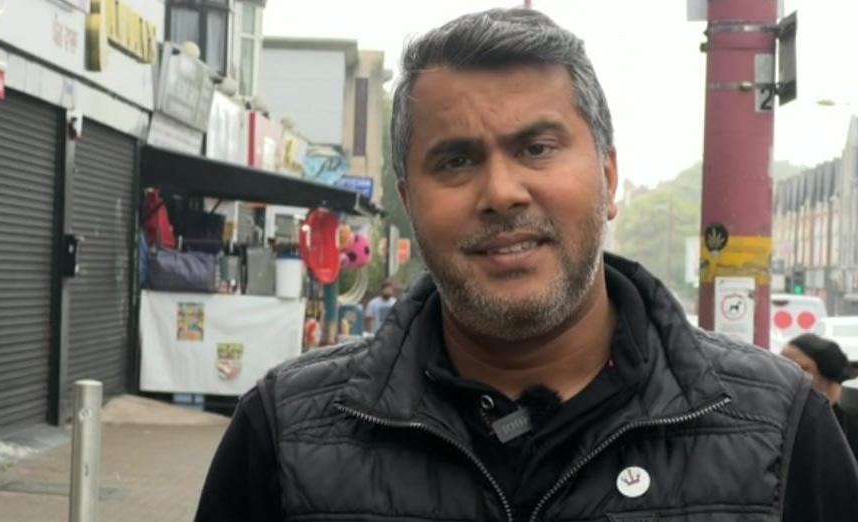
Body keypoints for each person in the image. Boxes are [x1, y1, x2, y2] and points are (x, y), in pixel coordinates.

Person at [196, 9, 858, 521]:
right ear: (408, 201)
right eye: (455, 160)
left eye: (537, 147)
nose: (502, 192)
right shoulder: (282, 438)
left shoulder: (783, 431)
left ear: (608, 176)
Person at [782, 333, 858, 459]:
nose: (787, 377)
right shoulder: (790, 413)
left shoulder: (851, 415)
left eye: (802, 368)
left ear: (826, 367)